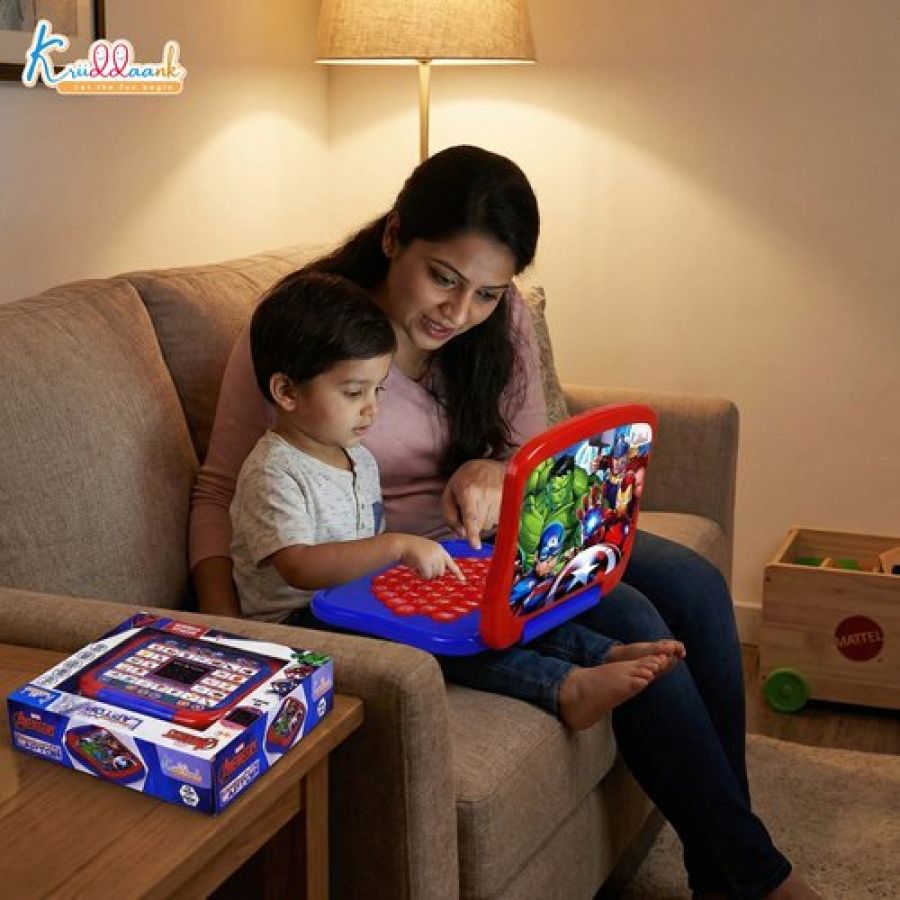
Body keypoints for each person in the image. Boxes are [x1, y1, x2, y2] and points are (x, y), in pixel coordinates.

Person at [190, 145, 820, 898]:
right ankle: (752, 876)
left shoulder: (502, 318)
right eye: (442, 278)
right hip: (395, 564)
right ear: (394, 237)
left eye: (487, 293)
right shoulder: (306, 334)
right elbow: (219, 490)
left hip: (501, 533)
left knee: (696, 584)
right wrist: (226, 633)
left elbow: (529, 451)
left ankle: (728, 863)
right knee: (633, 618)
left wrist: (493, 469)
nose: (459, 314)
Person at [230, 269, 679, 729]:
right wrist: (396, 547)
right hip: (300, 623)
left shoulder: (355, 453)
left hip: (355, 596)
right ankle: (563, 687)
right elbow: (299, 566)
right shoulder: (275, 471)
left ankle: (601, 652)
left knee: (481, 607)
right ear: (286, 391)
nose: (372, 408)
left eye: (378, 389)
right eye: (353, 393)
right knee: (433, 640)